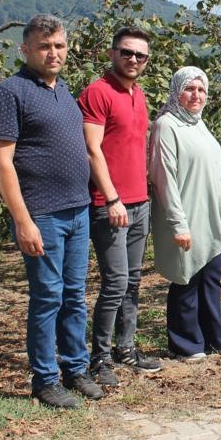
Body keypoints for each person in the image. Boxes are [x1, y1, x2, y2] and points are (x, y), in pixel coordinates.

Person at [0, 14, 103, 408]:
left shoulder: (62, 89)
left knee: (74, 295)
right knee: (48, 297)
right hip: (43, 216)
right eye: (44, 46)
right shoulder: (10, 92)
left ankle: (76, 369)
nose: (53, 53)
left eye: (59, 46)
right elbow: (2, 163)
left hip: (77, 211)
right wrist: (23, 220)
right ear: (25, 49)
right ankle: (45, 379)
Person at [78, 27, 162, 386]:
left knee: (132, 281)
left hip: (138, 201)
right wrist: (111, 198)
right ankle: (99, 358)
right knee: (114, 283)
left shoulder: (137, 94)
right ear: (112, 53)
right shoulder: (97, 93)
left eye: (140, 56)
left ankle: (125, 349)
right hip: (109, 204)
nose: (133, 60)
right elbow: (91, 149)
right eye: (127, 53)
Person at [149, 66, 221, 360]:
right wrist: (178, 224)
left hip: (210, 218)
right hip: (187, 217)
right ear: (177, 91)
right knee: (186, 281)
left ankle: (216, 338)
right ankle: (186, 344)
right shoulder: (167, 126)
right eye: (190, 89)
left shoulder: (198, 124)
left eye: (201, 90)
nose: (196, 95)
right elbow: (164, 178)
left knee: (210, 281)